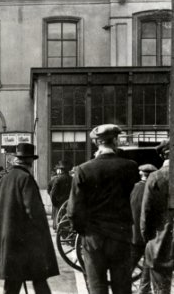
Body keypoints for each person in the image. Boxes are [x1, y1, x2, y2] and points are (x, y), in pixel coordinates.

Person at [67, 124, 140, 294]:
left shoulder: (83, 169)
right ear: (115, 140)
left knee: (97, 285)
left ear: (96, 143)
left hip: (93, 237)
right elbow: (134, 197)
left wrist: (82, 230)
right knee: (122, 286)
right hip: (120, 235)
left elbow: (73, 210)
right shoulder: (129, 167)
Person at [0, 143, 59, 294]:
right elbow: (33, 211)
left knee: (12, 282)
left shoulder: (4, 179)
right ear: (30, 162)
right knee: (39, 278)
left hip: (8, 239)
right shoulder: (26, 178)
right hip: (26, 241)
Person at [141, 139, 172, 294]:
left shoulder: (154, 177)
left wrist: (148, 239)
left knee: (161, 289)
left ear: (162, 155)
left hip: (161, 240)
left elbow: (146, 213)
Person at [130, 163, 157, 294]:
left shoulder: (134, 188)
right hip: (149, 234)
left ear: (141, 174)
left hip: (134, 233)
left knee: (130, 263)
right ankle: (143, 289)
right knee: (147, 263)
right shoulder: (153, 189)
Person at [48, 160, 72, 230]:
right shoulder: (72, 179)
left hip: (59, 202)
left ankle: (58, 228)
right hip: (69, 202)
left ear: (61, 170)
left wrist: (54, 202)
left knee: (59, 217)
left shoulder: (57, 179)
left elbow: (52, 193)